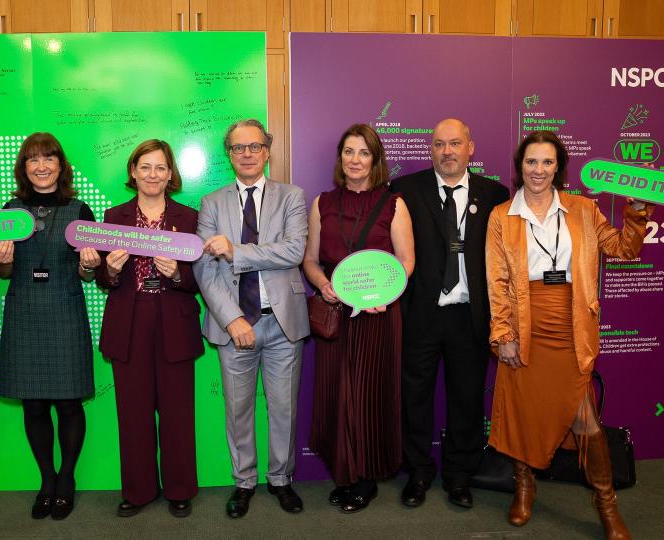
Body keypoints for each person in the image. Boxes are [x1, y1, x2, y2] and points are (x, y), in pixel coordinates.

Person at [487, 131, 649, 539]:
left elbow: (623, 249)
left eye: (546, 162)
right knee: (525, 411)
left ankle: (607, 506)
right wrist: (503, 333)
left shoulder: (582, 209)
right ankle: (524, 487)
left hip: (571, 326)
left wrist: (636, 214)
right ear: (519, 166)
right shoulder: (501, 216)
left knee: (587, 425)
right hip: (525, 324)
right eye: (530, 162)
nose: (538, 171)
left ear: (558, 166)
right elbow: (498, 281)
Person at [390, 118, 509, 509]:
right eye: (439, 144)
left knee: (467, 400)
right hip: (421, 314)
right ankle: (419, 472)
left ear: (470, 147)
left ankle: (460, 476)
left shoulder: (495, 195)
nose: (448, 152)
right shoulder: (405, 190)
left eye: (455, 143)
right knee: (415, 398)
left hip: (471, 317)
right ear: (431, 149)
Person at [194, 119, 309, 518]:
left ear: (267, 150)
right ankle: (243, 482)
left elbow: (293, 252)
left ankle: (281, 479)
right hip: (235, 326)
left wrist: (236, 251)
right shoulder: (211, 202)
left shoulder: (292, 196)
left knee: (284, 408)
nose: (247, 154)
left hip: (283, 323)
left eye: (254, 146)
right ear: (229, 153)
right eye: (238, 147)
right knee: (238, 409)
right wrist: (231, 320)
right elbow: (204, 270)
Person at [303, 124, 415, 513]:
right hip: (336, 314)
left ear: (375, 160)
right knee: (337, 393)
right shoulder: (321, 204)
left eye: (363, 152)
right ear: (340, 159)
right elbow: (310, 259)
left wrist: (384, 296)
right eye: (348, 152)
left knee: (368, 394)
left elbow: (406, 261)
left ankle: (366, 478)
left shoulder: (393, 205)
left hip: (377, 315)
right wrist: (322, 284)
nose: (355, 160)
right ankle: (345, 474)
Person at [0, 132, 98, 521]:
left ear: (60, 165)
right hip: (24, 312)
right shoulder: (10, 210)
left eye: (48, 158)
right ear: (24, 167)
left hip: (65, 311)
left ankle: (67, 479)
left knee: (69, 402)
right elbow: (3, 271)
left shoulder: (80, 209)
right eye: (33, 159)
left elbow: (89, 275)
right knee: (33, 402)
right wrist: (2, 259)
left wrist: (89, 264)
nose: (41, 166)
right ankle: (47, 480)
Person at [95, 139, 203, 518]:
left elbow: (200, 279)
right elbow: (105, 281)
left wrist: (178, 274)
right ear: (133, 172)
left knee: (177, 412)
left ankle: (179, 489)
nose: (152, 174)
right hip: (129, 321)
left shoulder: (190, 218)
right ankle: (138, 491)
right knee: (133, 412)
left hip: (174, 319)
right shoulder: (114, 216)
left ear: (170, 174)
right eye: (145, 167)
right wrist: (108, 269)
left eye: (160, 167)